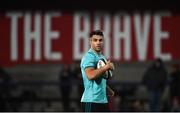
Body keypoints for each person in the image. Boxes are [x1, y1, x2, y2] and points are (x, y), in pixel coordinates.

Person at [80, 30, 115, 112]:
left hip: (102, 101)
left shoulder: (101, 57)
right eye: (95, 40)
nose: (98, 42)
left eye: (100, 40)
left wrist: (107, 88)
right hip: (91, 101)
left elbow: (99, 77)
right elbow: (90, 75)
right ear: (90, 41)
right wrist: (106, 67)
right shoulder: (89, 57)